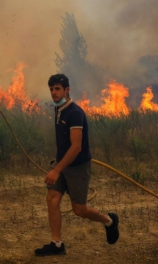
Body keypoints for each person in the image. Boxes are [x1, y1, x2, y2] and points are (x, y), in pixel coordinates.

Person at [35, 74, 119, 256]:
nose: (53, 93)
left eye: (57, 89)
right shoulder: (59, 109)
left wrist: (57, 170)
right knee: (52, 198)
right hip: (62, 163)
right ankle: (57, 244)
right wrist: (58, 166)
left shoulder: (75, 113)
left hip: (77, 166)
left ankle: (109, 221)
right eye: (51, 89)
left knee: (79, 210)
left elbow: (76, 147)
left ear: (67, 90)